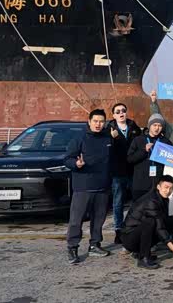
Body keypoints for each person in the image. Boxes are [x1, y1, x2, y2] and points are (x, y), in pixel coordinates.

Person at [64, 109, 113, 265]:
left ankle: (95, 245)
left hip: (103, 186)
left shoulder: (108, 138)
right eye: (95, 121)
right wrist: (76, 163)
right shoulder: (79, 138)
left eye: (101, 121)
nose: (98, 124)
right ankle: (72, 247)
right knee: (76, 220)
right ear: (89, 121)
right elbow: (67, 159)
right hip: (83, 187)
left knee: (99, 219)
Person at [120, 175, 173, 269]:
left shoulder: (162, 198)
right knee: (150, 222)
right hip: (129, 238)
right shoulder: (151, 201)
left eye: (171, 188)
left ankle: (141, 252)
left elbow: (164, 219)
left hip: (136, 236)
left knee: (161, 223)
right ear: (158, 187)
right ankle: (143, 258)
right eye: (166, 187)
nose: (168, 191)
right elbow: (159, 226)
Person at [107, 102, 142, 244]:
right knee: (118, 202)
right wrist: (112, 138)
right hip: (117, 171)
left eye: (123, 110)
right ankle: (118, 230)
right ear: (113, 115)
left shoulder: (134, 128)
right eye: (118, 111)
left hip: (133, 169)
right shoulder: (109, 129)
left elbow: (138, 145)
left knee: (136, 201)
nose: (121, 113)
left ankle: (133, 227)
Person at [128, 114, 172, 201]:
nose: (157, 128)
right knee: (139, 208)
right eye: (154, 125)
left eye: (159, 126)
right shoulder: (138, 140)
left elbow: (171, 161)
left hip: (158, 185)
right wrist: (144, 150)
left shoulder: (166, 142)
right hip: (141, 184)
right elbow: (130, 159)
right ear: (149, 126)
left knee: (157, 208)